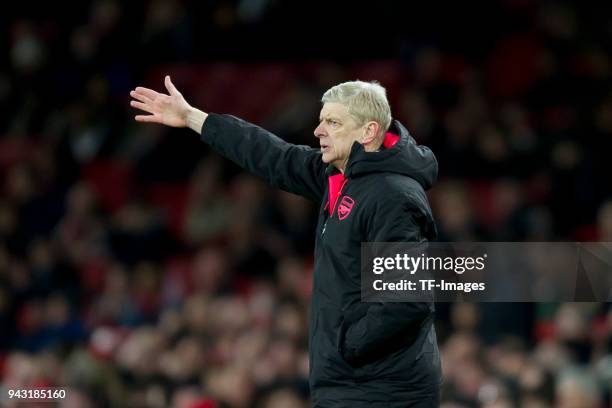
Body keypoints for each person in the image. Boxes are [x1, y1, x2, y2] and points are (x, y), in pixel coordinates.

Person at [130, 76, 442, 407]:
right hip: (351, 381)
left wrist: (347, 345)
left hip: (381, 389)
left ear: (367, 132)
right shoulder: (342, 175)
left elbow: (406, 299)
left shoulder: (391, 195)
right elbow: (272, 155)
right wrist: (193, 117)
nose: (318, 131)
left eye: (332, 122)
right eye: (321, 120)